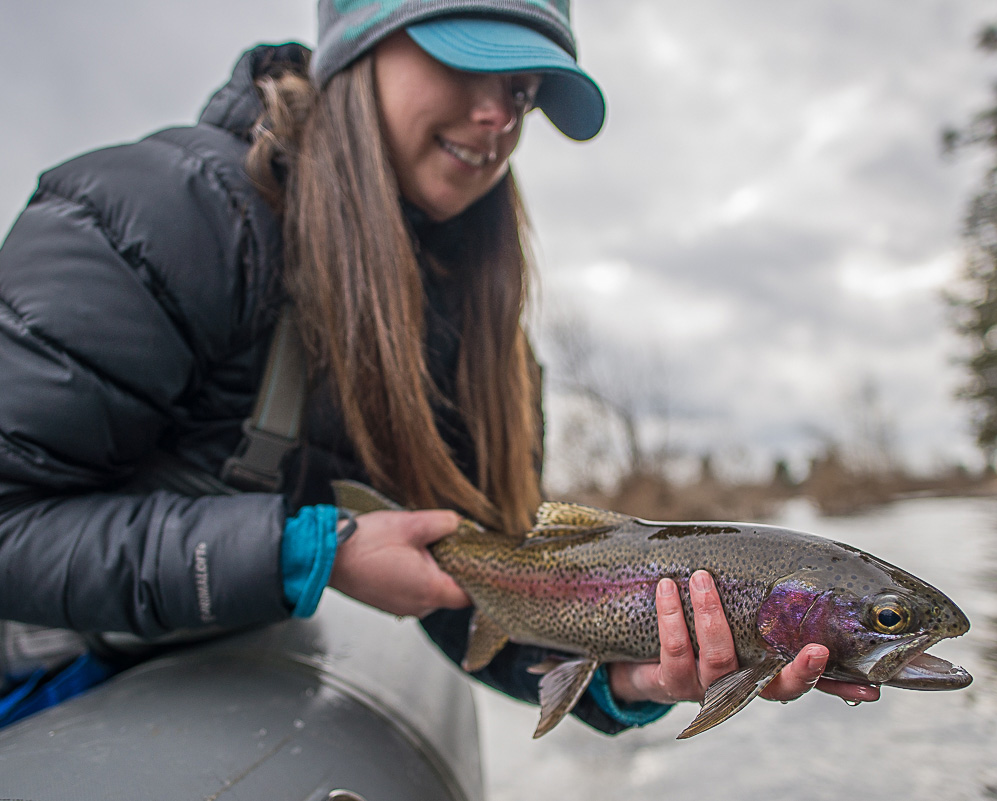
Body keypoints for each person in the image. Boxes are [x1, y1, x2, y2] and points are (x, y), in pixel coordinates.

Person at [0, 0, 877, 732]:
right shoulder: (158, 216)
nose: (499, 117)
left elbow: (497, 590)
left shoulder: (482, 332)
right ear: (359, 51)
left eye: (522, 89)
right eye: (467, 61)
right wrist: (312, 551)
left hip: (211, 673)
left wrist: (637, 674)